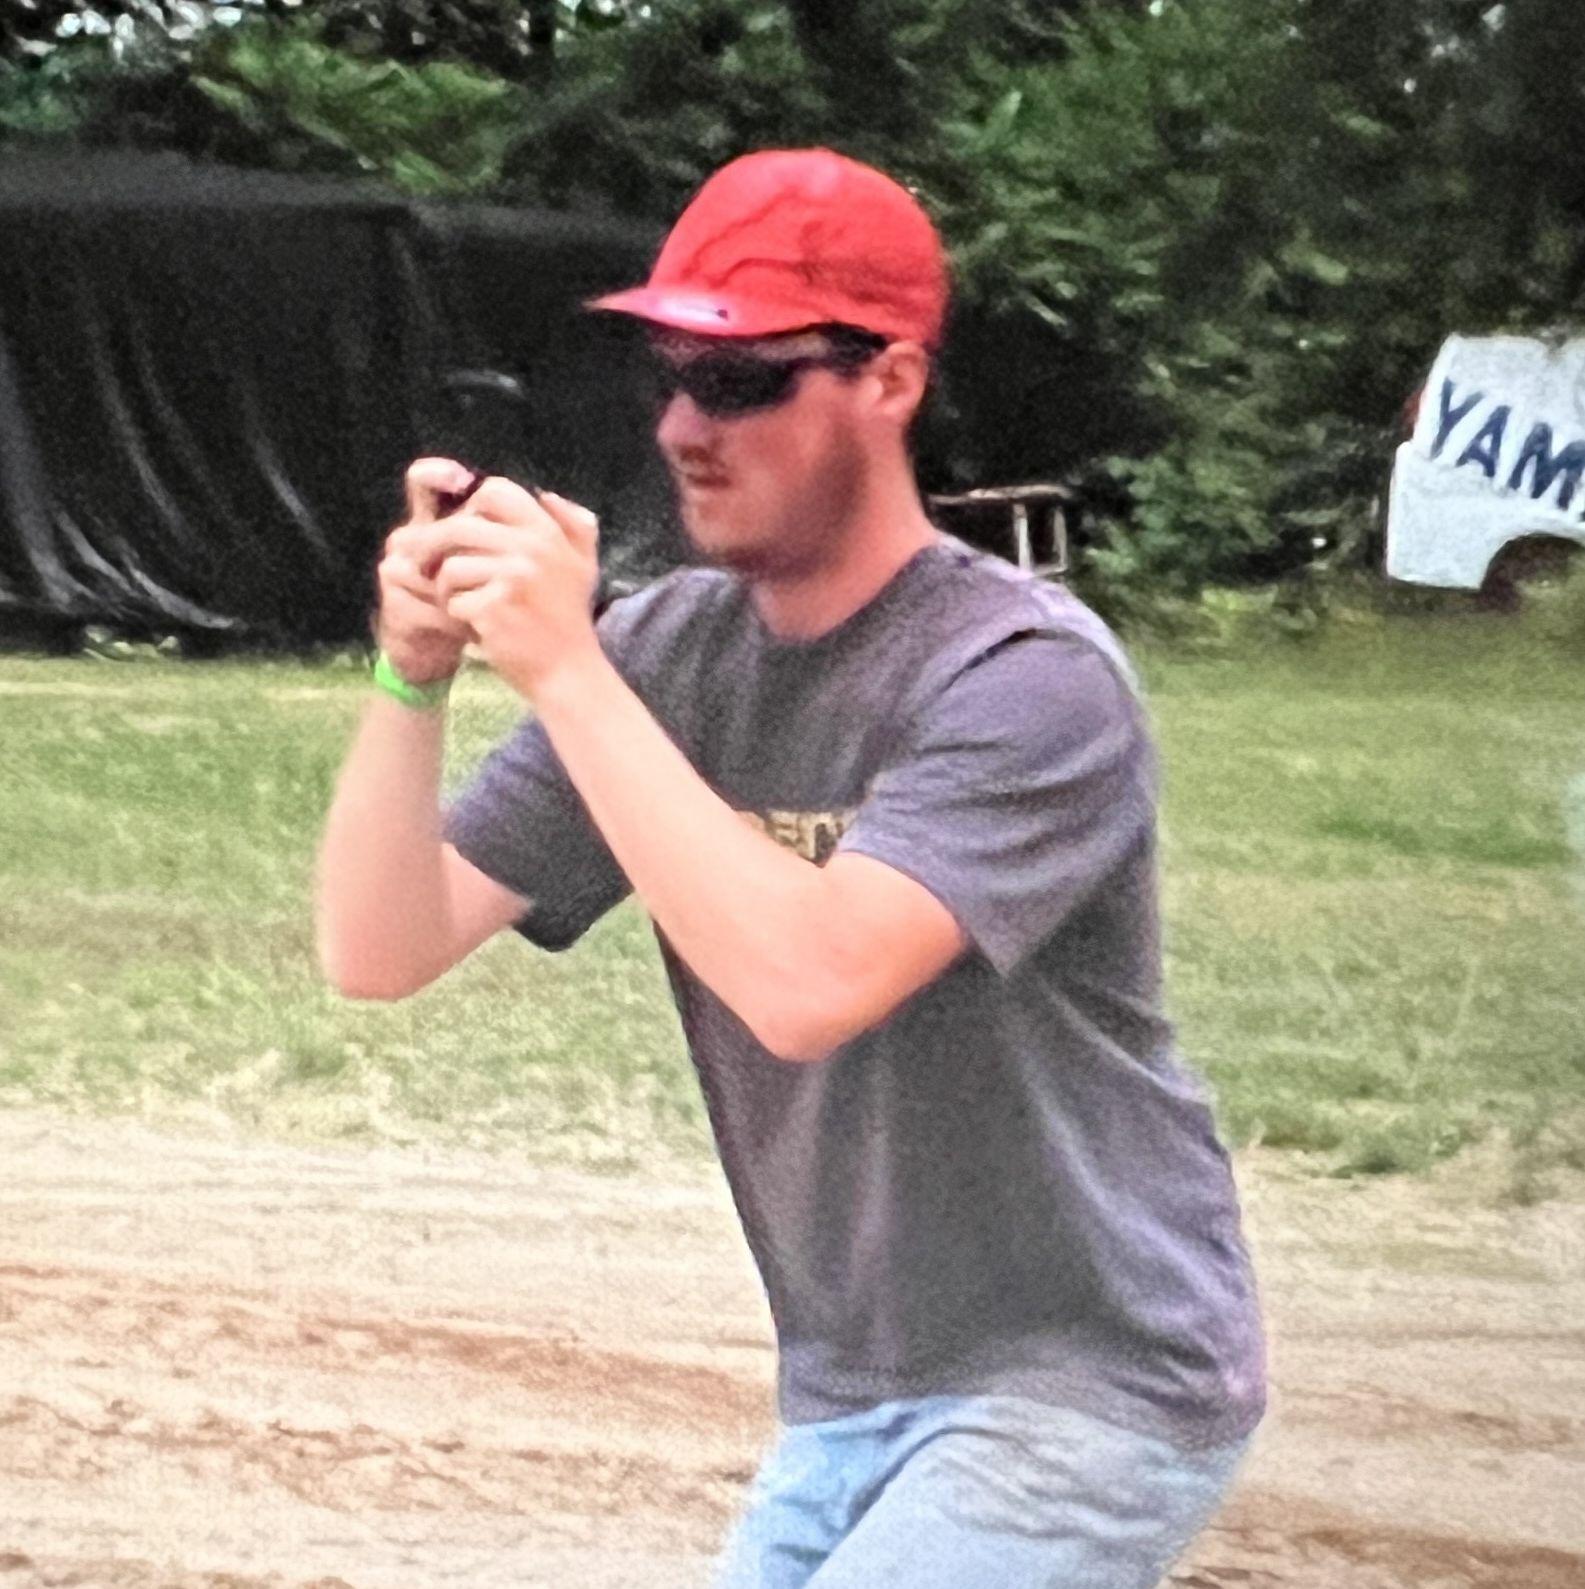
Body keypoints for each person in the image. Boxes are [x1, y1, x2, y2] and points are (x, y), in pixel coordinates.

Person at [315, 147, 1266, 1589]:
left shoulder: (1025, 676)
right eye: (669, 377)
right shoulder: (668, 656)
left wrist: (566, 668)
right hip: (852, 1384)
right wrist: (413, 675)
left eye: (742, 380)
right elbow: (380, 948)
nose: (685, 426)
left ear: (889, 382)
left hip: (1089, 1376)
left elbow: (811, 983)